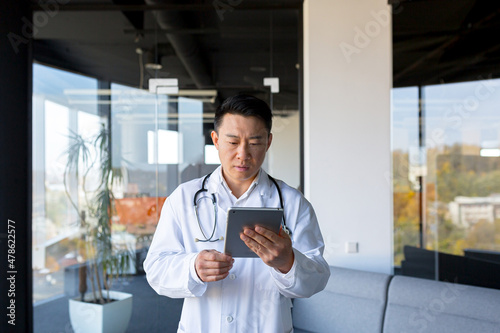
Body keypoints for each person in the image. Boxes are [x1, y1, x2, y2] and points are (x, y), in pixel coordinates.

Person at [144, 94, 330, 332]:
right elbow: (156, 270)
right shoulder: (183, 198)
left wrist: (288, 262)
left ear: (268, 142)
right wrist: (193, 268)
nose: (243, 154)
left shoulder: (293, 203)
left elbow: (318, 278)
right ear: (216, 140)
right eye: (232, 142)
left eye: (254, 142)